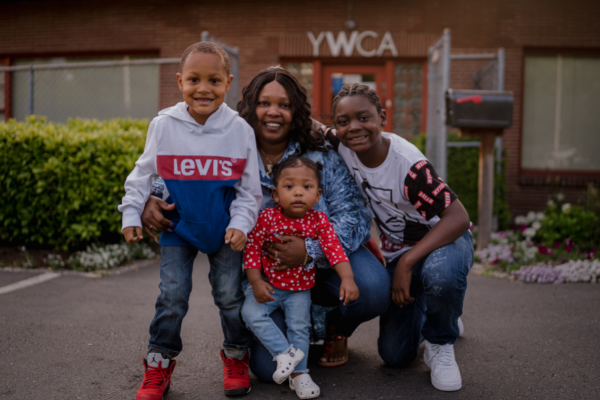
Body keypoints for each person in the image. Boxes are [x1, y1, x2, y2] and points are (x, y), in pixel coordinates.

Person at [142, 67, 391, 380]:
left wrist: (310, 250)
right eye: (264, 103)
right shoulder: (227, 147)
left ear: (295, 111)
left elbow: (353, 214)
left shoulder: (319, 152)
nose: (274, 112)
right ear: (250, 108)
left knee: (372, 288)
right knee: (264, 368)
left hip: (322, 264)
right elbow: (180, 170)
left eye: (284, 105)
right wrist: (151, 195)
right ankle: (295, 330)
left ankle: (333, 328)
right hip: (265, 277)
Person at [118, 42, 262, 399]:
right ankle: (159, 363)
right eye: (194, 79)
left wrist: (241, 224)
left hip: (223, 229)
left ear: (228, 83)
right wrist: (131, 212)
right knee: (172, 296)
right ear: (180, 81)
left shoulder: (240, 130)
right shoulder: (164, 125)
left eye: (214, 80)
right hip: (177, 226)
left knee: (229, 296)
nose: (203, 88)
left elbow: (250, 191)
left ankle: (236, 356)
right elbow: (142, 173)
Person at [330, 83, 473, 392]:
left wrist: (407, 263)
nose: (354, 127)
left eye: (364, 118)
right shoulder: (342, 146)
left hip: (444, 240)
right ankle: (442, 312)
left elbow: (459, 218)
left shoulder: (408, 164)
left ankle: (441, 341)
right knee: (394, 356)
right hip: (399, 251)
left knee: (441, 276)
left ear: (382, 117)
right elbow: (306, 126)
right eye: (344, 121)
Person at [242, 156, 359, 399]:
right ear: (275, 195)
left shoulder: (319, 221)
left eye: (306, 187)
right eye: (289, 187)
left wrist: (347, 278)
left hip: (299, 290)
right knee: (251, 314)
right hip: (270, 286)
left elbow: (334, 250)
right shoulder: (266, 218)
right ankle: (285, 354)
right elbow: (251, 249)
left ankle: (301, 375)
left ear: (317, 196)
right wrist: (255, 281)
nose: (297, 193)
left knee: (299, 329)